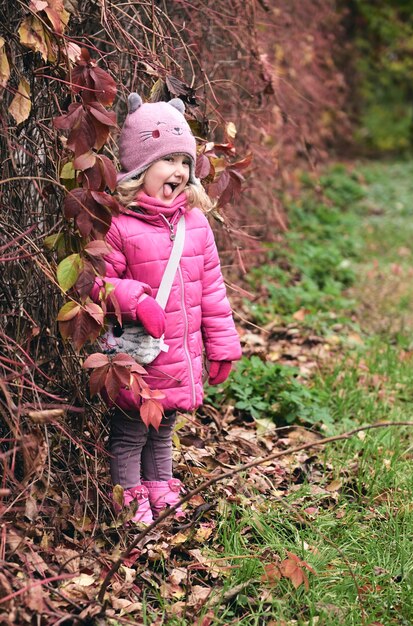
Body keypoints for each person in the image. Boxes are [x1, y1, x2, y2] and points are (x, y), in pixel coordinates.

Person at [92, 94, 242, 524]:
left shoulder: (196, 224)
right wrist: (135, 300)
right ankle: (128, 498)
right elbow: (98, 283)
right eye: (167, 160)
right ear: (140, 168)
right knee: (129, 433)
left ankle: (160, 490)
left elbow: (212, 290)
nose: (178, 171)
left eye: (184, 161)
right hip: (138, 357)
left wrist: (223, 347)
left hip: (180, 353)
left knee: (163, 429)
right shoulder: (119, 224)